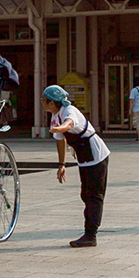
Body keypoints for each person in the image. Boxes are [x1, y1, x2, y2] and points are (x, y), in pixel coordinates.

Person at [43, 85, 110, 248]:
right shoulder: (55, 115)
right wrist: (61, 165)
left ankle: (90, 235)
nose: (42, 103)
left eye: (44, 100)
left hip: (97, 155)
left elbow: (69, 123)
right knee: (85, 194)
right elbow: (60, 140)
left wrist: (62, 127)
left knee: (94, 196)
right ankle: (89, 232)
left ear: (52, 102)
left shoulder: (68, 110)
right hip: (84, 157)